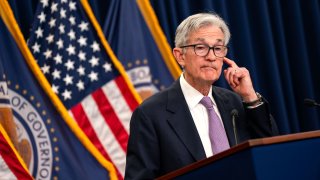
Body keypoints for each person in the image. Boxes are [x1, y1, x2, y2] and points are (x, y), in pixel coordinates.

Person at [124, 12, 278, 179]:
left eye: (218, 48)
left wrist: (249, 96)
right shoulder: (150, 114)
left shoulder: (236, 102)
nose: (211, 57)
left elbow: (271, 153)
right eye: (201, 48)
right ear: (180, 56)